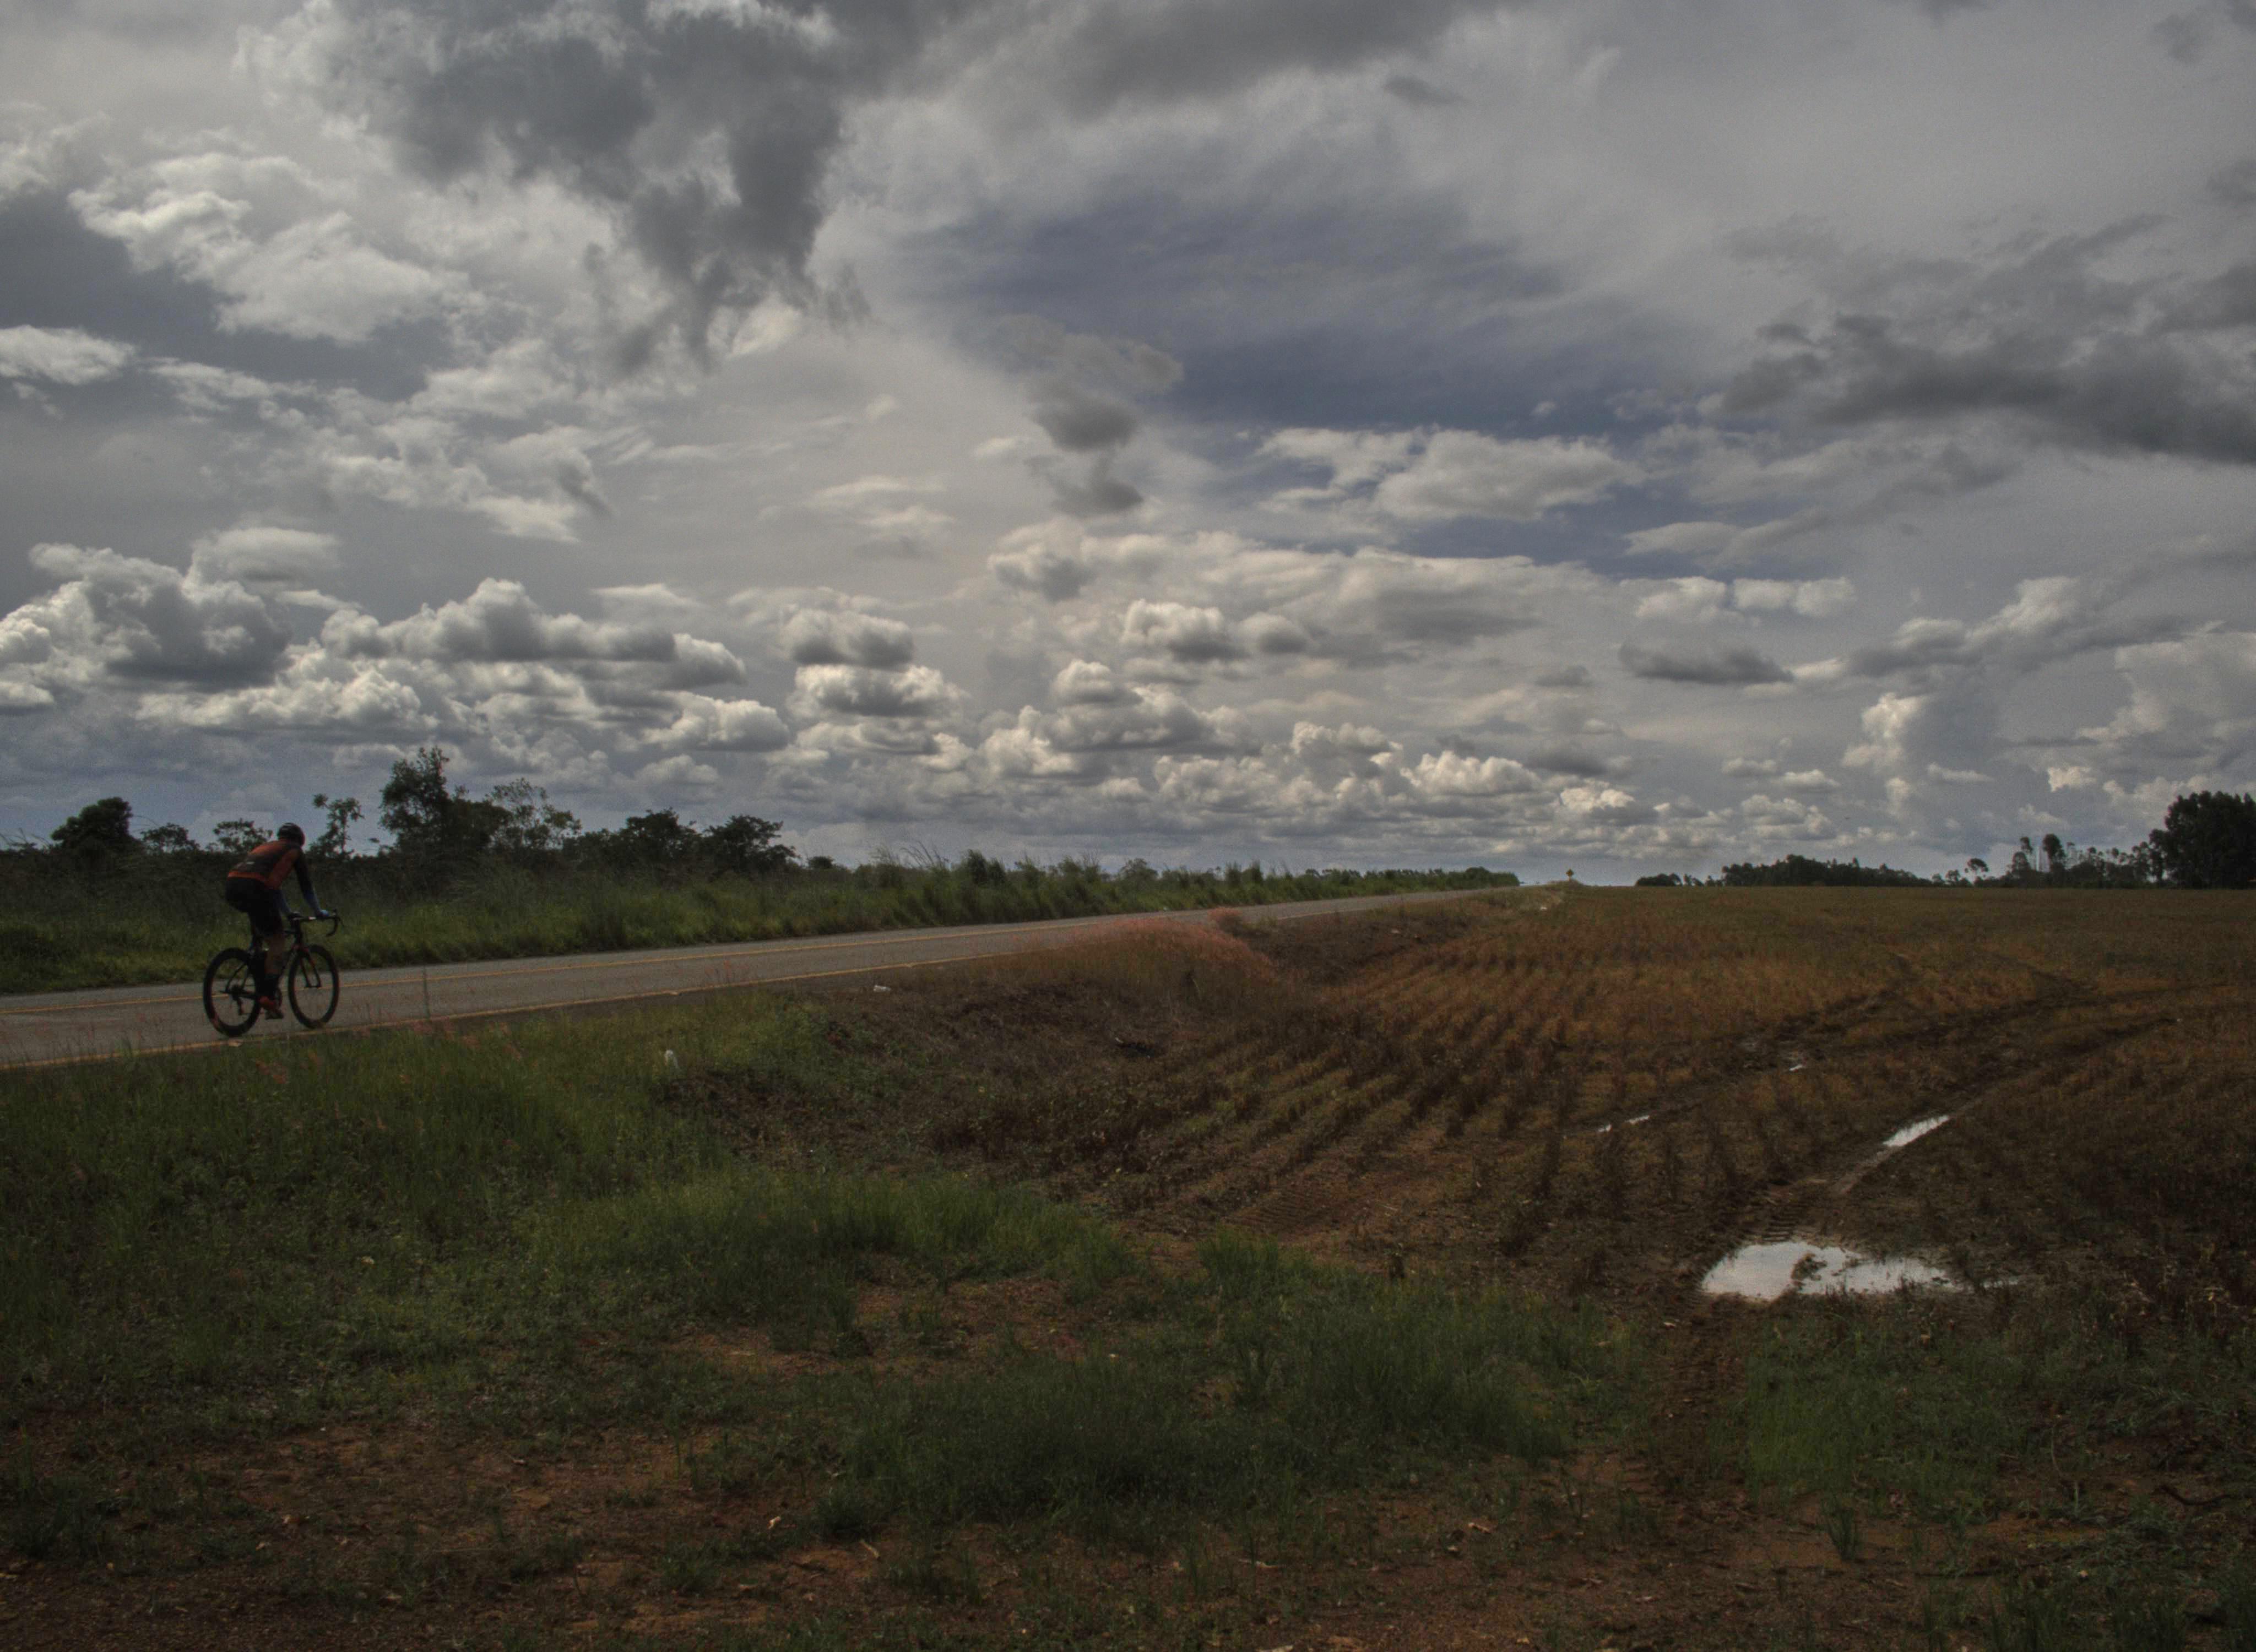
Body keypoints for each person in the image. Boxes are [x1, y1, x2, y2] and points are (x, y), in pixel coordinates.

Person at [224, 823, 332, 1019]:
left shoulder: (266, 847)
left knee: (262, 935)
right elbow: (306, 887)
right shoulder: (295, 851)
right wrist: (319, 912)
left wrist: (288, 913)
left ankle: (257, 971)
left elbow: (274, 889)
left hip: (233, 885)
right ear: (300, 840)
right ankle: (268, 997)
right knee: (277, 941)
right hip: (256, 889)